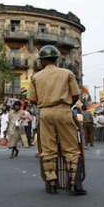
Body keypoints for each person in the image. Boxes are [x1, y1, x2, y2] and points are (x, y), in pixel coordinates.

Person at [28, 44, 87, 195]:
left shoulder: (36, 77)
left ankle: (52, 183)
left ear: (42, 61)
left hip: (45, 113)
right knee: (71, 148)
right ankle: (74, 184)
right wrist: (66, 106)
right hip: (64, 111)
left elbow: (33, 100)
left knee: (47, 149)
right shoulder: (67, 73)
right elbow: (75, 95)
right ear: (56, 59)